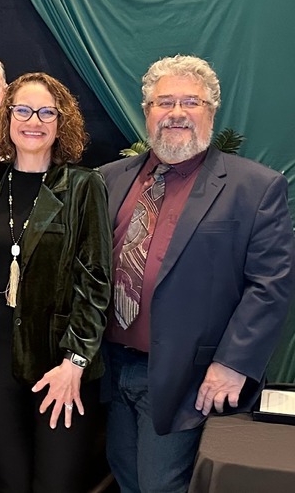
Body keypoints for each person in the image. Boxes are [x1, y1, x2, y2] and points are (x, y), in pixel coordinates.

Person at [100, 55, 295, 492]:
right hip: (112, 369)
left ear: (211, 111)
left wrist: (232, 363)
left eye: (191, 102)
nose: (176, 113)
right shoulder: (109, 179)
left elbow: (271, 285)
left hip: (189, 377)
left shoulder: (255, 187)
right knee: (126, 476)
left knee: (160, 486)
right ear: (146, 111)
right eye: (163, 101)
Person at [0, 72, 111, 493]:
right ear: (8, 117)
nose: (34, 120)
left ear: (61, 121)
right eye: (23, 110)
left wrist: (76, 362)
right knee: (7, 483)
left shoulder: (84, 186)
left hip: (59, 364)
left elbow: (95, 283)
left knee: (56, 485)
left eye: (46, 112)